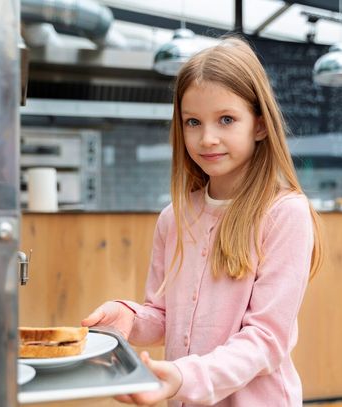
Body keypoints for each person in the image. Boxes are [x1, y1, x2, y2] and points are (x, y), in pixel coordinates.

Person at [82, 36, 323, 406]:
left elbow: (266, 339)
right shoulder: (173, 219)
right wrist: (128, 317)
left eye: (226, 119)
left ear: (259, 125)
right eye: (193, 122)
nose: (207, 138)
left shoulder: (285, 214)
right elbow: (165, 317)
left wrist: (182, 376)